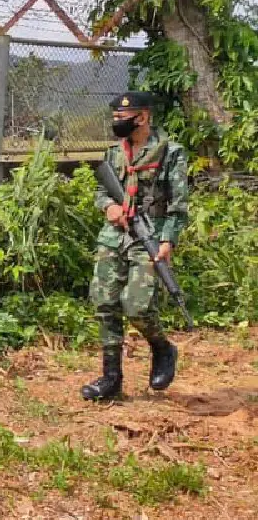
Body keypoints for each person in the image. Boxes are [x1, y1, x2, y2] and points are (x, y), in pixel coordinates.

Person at [83, 91, 189, 401]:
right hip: (114, 235)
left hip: (149, 235)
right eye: (115, 118)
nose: (117, 123)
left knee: (138, 306)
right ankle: (111, 378)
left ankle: (162, 348)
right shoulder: (114, 153)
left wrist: (168, 239)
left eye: (122, 118)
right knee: (104, 302)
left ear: (142, 117)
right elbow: (102, 192)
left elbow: (179, 205)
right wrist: (108, 208)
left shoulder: (171, 152)